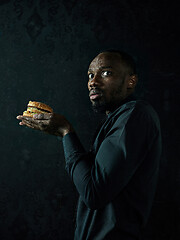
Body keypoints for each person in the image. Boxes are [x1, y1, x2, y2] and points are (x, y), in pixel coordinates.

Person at [17, 50, 162, 240]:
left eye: (106, 73)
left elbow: (93, 192)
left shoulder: (135, 115)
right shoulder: (116, 120)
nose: (93, 82)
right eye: (91, 75)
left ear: (131, 81)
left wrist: (65, 131)